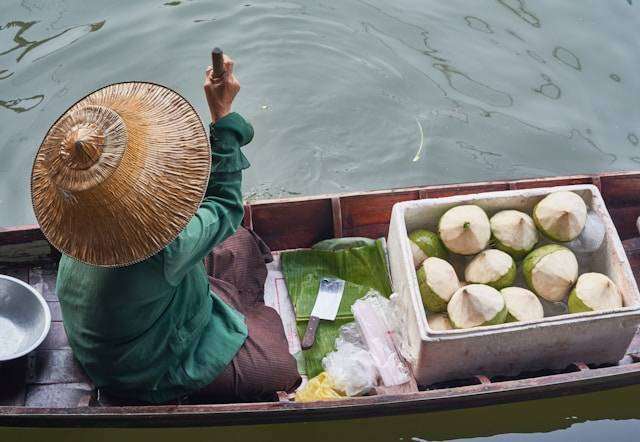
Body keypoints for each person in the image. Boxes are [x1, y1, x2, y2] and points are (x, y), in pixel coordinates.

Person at [30, 54, 301, 404]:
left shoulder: (79, 221)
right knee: (280, 367)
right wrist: (222, 115)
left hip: (123, 322)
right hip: (141, 369)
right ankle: (235, 327)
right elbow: (225, 205)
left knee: (238, 242)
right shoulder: (165, 252)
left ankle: (229, 312)